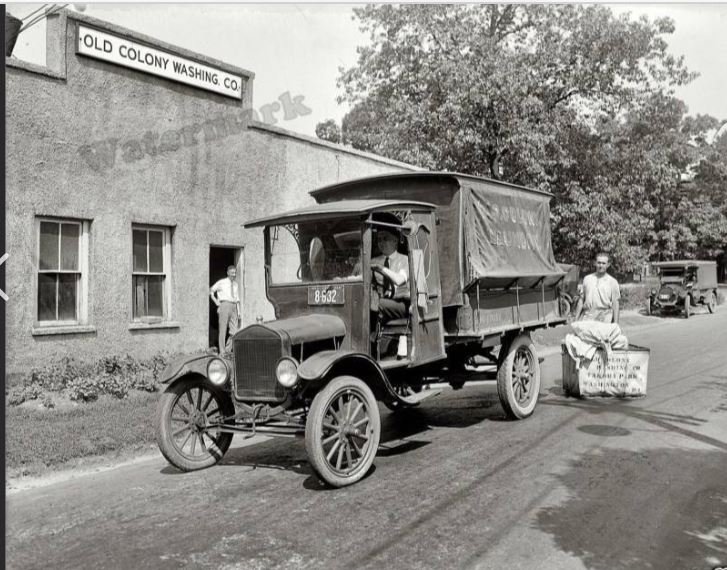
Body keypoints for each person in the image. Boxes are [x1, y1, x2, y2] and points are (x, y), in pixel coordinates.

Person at [371, 228, 409, 322]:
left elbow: (399, 280)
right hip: (381, 300)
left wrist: (381, 268)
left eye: (385, 239)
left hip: (401, 302)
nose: (381, 243)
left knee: (376, 304)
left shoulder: (405, 260)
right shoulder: (373, 261)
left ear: (395, 241)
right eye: (379, 240)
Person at [574, 253, 620, 324]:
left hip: (604, 318)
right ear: (595, 263)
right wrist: (576, 319)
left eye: (603, 263)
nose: (601, 266)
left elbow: (615, 303)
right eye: (599, 263)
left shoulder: (612, 282)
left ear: (608, 265)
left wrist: (616, 323)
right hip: (587, 316)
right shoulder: (587, 279)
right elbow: (581, 300)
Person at [210, 265, 241, 353]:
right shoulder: (222, 282)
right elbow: (211, 290)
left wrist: (239, 312)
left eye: (235, 273)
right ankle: (222, 352)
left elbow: (237, 299)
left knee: (234, 331)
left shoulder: (235, 284)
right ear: (228, 273)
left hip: (234, 307)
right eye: (232, 273)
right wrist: (216, 301)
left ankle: (227, 350)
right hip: (224, 305)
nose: (234, 275)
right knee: (223, 330)